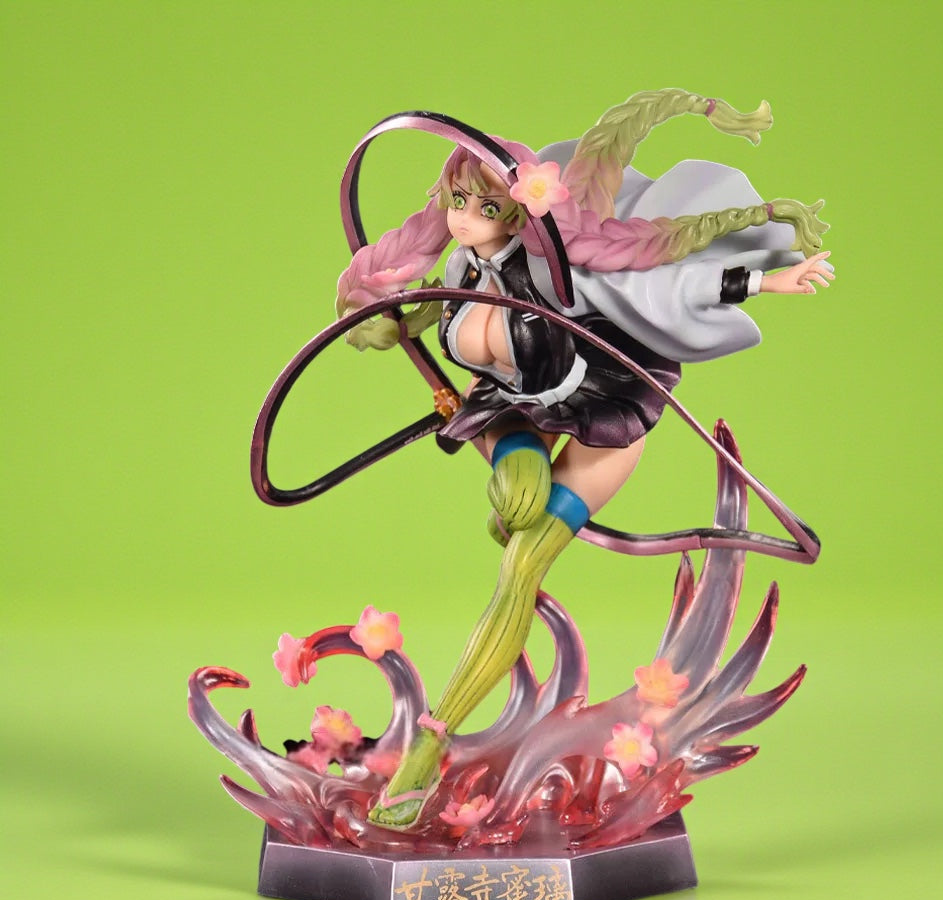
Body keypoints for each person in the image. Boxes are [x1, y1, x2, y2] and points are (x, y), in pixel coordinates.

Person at [334, 89, 834, 828]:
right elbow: (410, 318)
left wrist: (765, 279)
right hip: (509, 413)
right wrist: (378, 317)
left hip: (604, 409)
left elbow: (671, 282)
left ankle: (428, 748)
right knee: (519, 493)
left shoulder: (558, 271)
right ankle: (516, 500)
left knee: (521, 567)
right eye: (457, 202)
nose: (465, 219)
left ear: (518, 211)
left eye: (485, 206)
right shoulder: (460, 274)